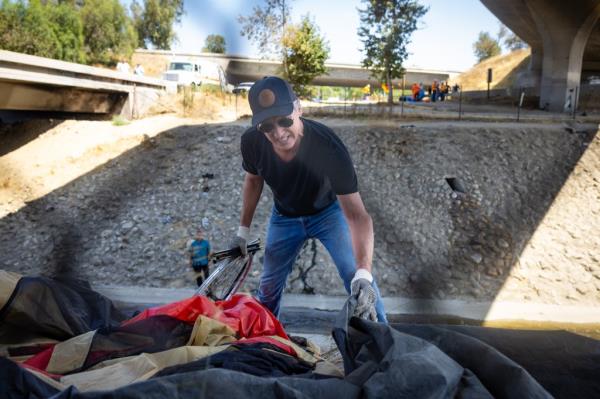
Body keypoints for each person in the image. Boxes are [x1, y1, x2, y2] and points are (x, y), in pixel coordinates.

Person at [230, 76, 387, 322]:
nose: (279, 133)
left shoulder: (328, 147)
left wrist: (364, 272)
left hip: (327, 213)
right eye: (267, 127)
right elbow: (253, 180)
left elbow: (357, 216)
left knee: (354, 275)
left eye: (284, 120)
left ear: (298, 108)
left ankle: (383, 343)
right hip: (284, 217)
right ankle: (266, 342)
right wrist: (242, 231)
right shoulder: (252, 142)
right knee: (268, 286)